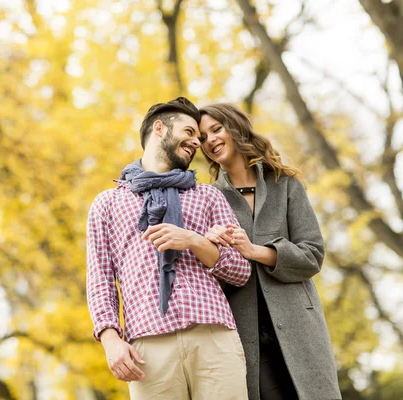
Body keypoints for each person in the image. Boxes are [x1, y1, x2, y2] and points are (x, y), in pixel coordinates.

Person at [86, 97, 251, 400]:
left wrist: (194, 240)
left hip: (213, 336)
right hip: (148, 348)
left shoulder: (208, 197)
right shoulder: (107, 204)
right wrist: (111, 340)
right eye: (189, 132)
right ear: (159, 128)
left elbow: (241, 271)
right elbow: (100, 281)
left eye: (198, 138)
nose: (196, 143)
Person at [198, 103, 341, 400]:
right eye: (202, 137)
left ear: (235, 128)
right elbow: (212, 277)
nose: (209, 140)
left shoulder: (285, 185)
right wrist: (210, 247)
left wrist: (255, 251)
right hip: (245, 334)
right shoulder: (208, 198)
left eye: (216, 129)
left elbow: (312, 255)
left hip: (300, 327)